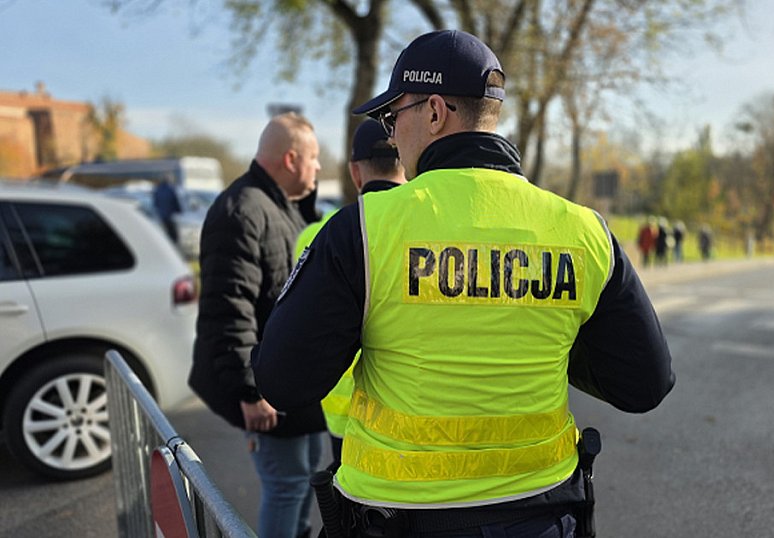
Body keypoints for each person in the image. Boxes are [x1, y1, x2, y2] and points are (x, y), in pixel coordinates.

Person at [252, 30, 674, 538]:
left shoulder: (364, 229)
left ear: (434, 112)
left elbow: (282, 382)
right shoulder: (583, 230)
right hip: (540, 515)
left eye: (392, 117)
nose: (391, 136)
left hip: (397, 519)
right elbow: (645, 383)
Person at [189, 112, 326, 538]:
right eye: (315, 158)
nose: (319, 168)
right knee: (286, 487)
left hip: (288, 387)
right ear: (291, 159)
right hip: (266, 390)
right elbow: (228, 310)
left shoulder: (281, 207)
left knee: (302, 481)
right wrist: (250, 390)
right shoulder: (242, 210)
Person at [295, 119, 405, 466]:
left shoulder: (318, 235)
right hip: (414, 420)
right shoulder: (427, 231)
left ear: (355, 172)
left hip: (342, 418)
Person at [152, 175, 182, 243]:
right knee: (173, 233)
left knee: (165, 231)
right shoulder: (170, 189)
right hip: (169, 214)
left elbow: (155, 203)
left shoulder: (158, 189)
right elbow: (175, 201)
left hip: (161, 214)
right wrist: (179, 210)